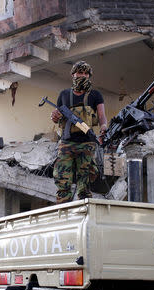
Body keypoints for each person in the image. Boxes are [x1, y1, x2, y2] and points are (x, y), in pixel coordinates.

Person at [51, 61, 108, 203]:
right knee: (62, 178)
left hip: (87, 143)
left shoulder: (95, 95)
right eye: (79, 73)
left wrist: (104, 127)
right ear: (73, 75)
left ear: (89, 76)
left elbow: (101, 115)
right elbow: (57, 117)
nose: (82, 75)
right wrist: (54, 116)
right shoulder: (64, 94)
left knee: (86, 180)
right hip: (66, 142)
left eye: (85, 73)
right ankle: (63, 210)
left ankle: (84, 209)